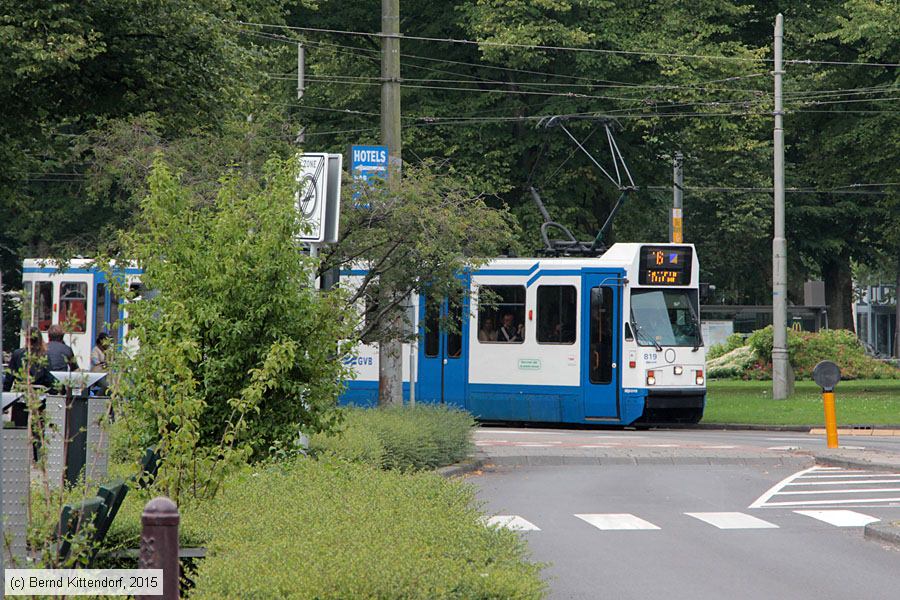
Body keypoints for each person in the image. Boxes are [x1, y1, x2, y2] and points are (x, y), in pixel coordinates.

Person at [4, 326, 53, 391]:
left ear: (26, 339)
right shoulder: (44, 356)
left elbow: (9, 378)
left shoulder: (17, 354)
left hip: (20, 392)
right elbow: (48, 378)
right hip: (39, 393)